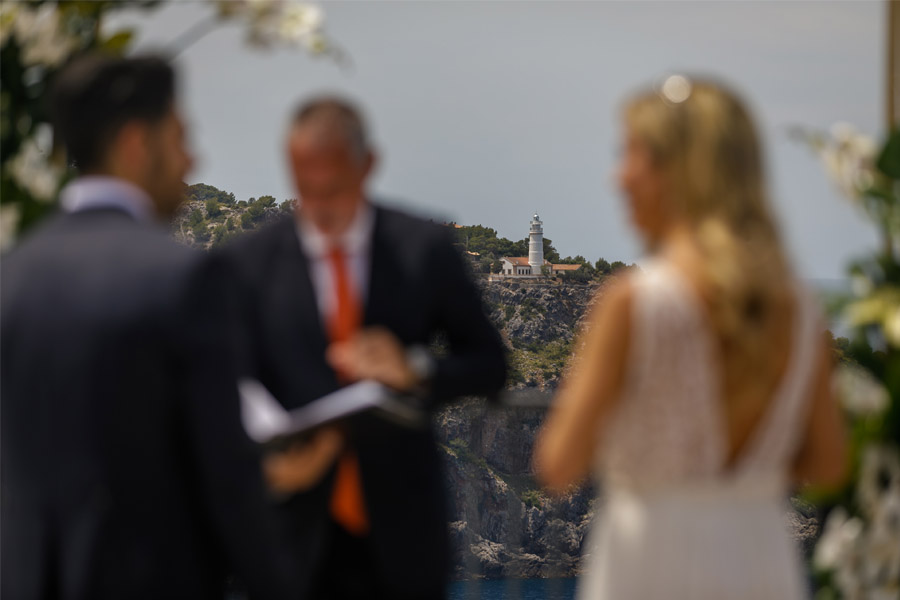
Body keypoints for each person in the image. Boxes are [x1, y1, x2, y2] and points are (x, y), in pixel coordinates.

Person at [534, 77, 848, 599]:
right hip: (760, 556)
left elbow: (559, 462)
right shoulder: (796, 309)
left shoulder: (633, 303)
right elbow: (827, 463)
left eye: (632, 157)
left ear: (676, 174)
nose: (619, 179)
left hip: (653, 561)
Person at [1, 54, 300, 600]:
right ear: (137, 144)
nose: (192, 158)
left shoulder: (12, 274)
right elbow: (227, 478)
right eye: (180, 138)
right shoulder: (187, 276)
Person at [218, 96, 507, 600]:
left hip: (401, 537)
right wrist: (263, 461)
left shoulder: (422, 249)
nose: (319, 206)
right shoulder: (250, 264)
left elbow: (490, 365)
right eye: (304, 188)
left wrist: (415, 369)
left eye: (331, 188)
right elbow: (221, 382)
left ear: (367, 166)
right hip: (289, 539)